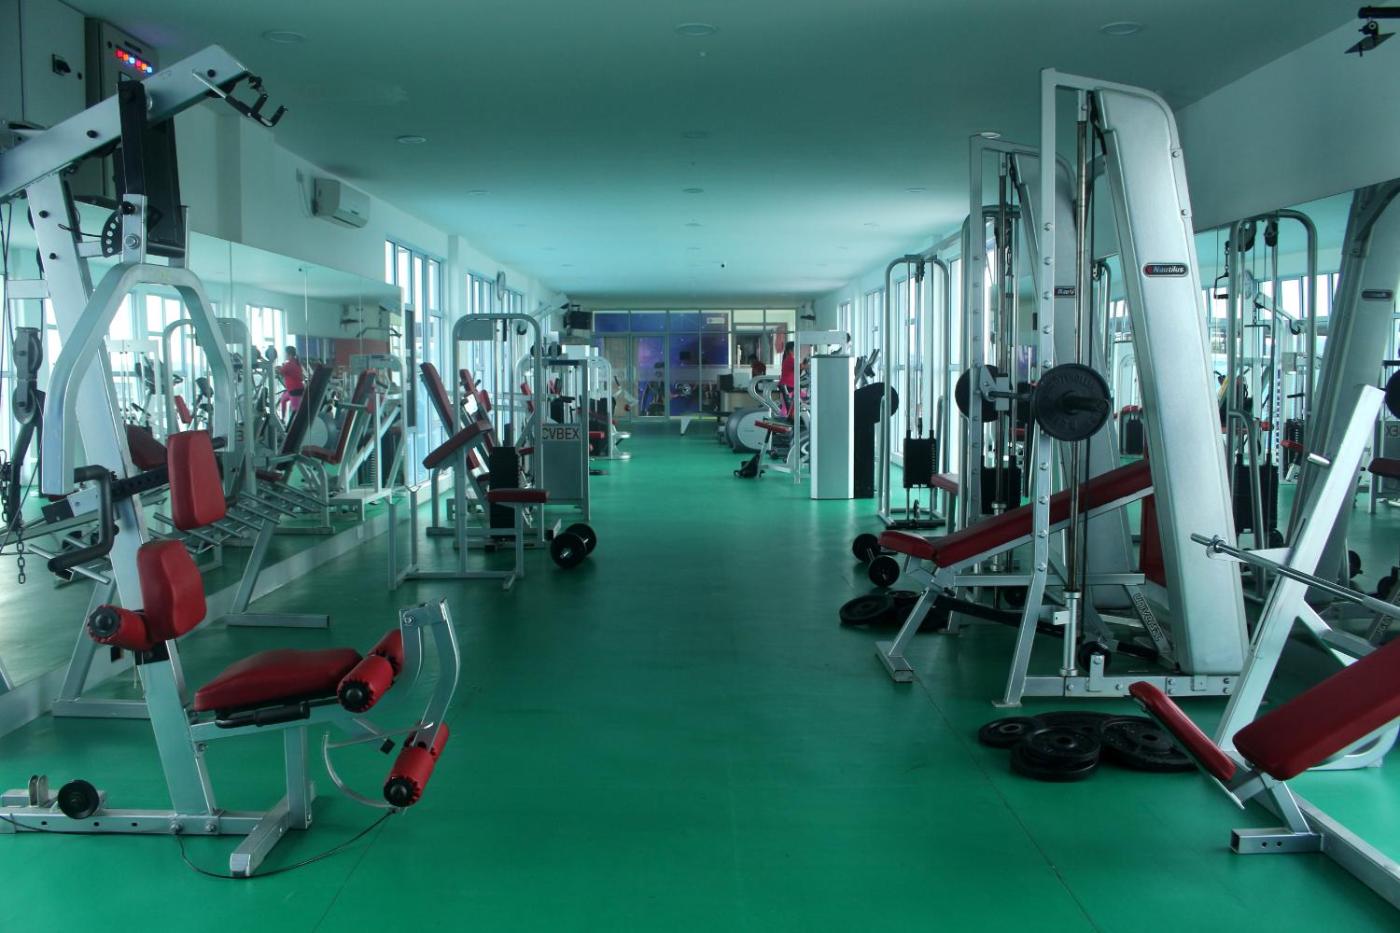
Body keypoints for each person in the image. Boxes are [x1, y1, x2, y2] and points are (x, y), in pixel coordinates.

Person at [277, 345, 306, 419]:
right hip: (292, 389)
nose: (284, 355)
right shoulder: (295, 362)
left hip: (295, 390)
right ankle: (282, 419)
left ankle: (296, 424)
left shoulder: (289, 364)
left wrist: (277, 368)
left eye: (285, 353)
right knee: (283, 400)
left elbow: (281, 372)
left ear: (289, 354)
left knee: (295, 411)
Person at [778, 341, 796, 416]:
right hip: (787, 386)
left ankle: (784, 418)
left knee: (786, 407)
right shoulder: (790, 359)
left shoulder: (789, 359)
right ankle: (783, 419)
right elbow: (800, 367)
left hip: (787, 385)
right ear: (790, 350)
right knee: (786, 408)